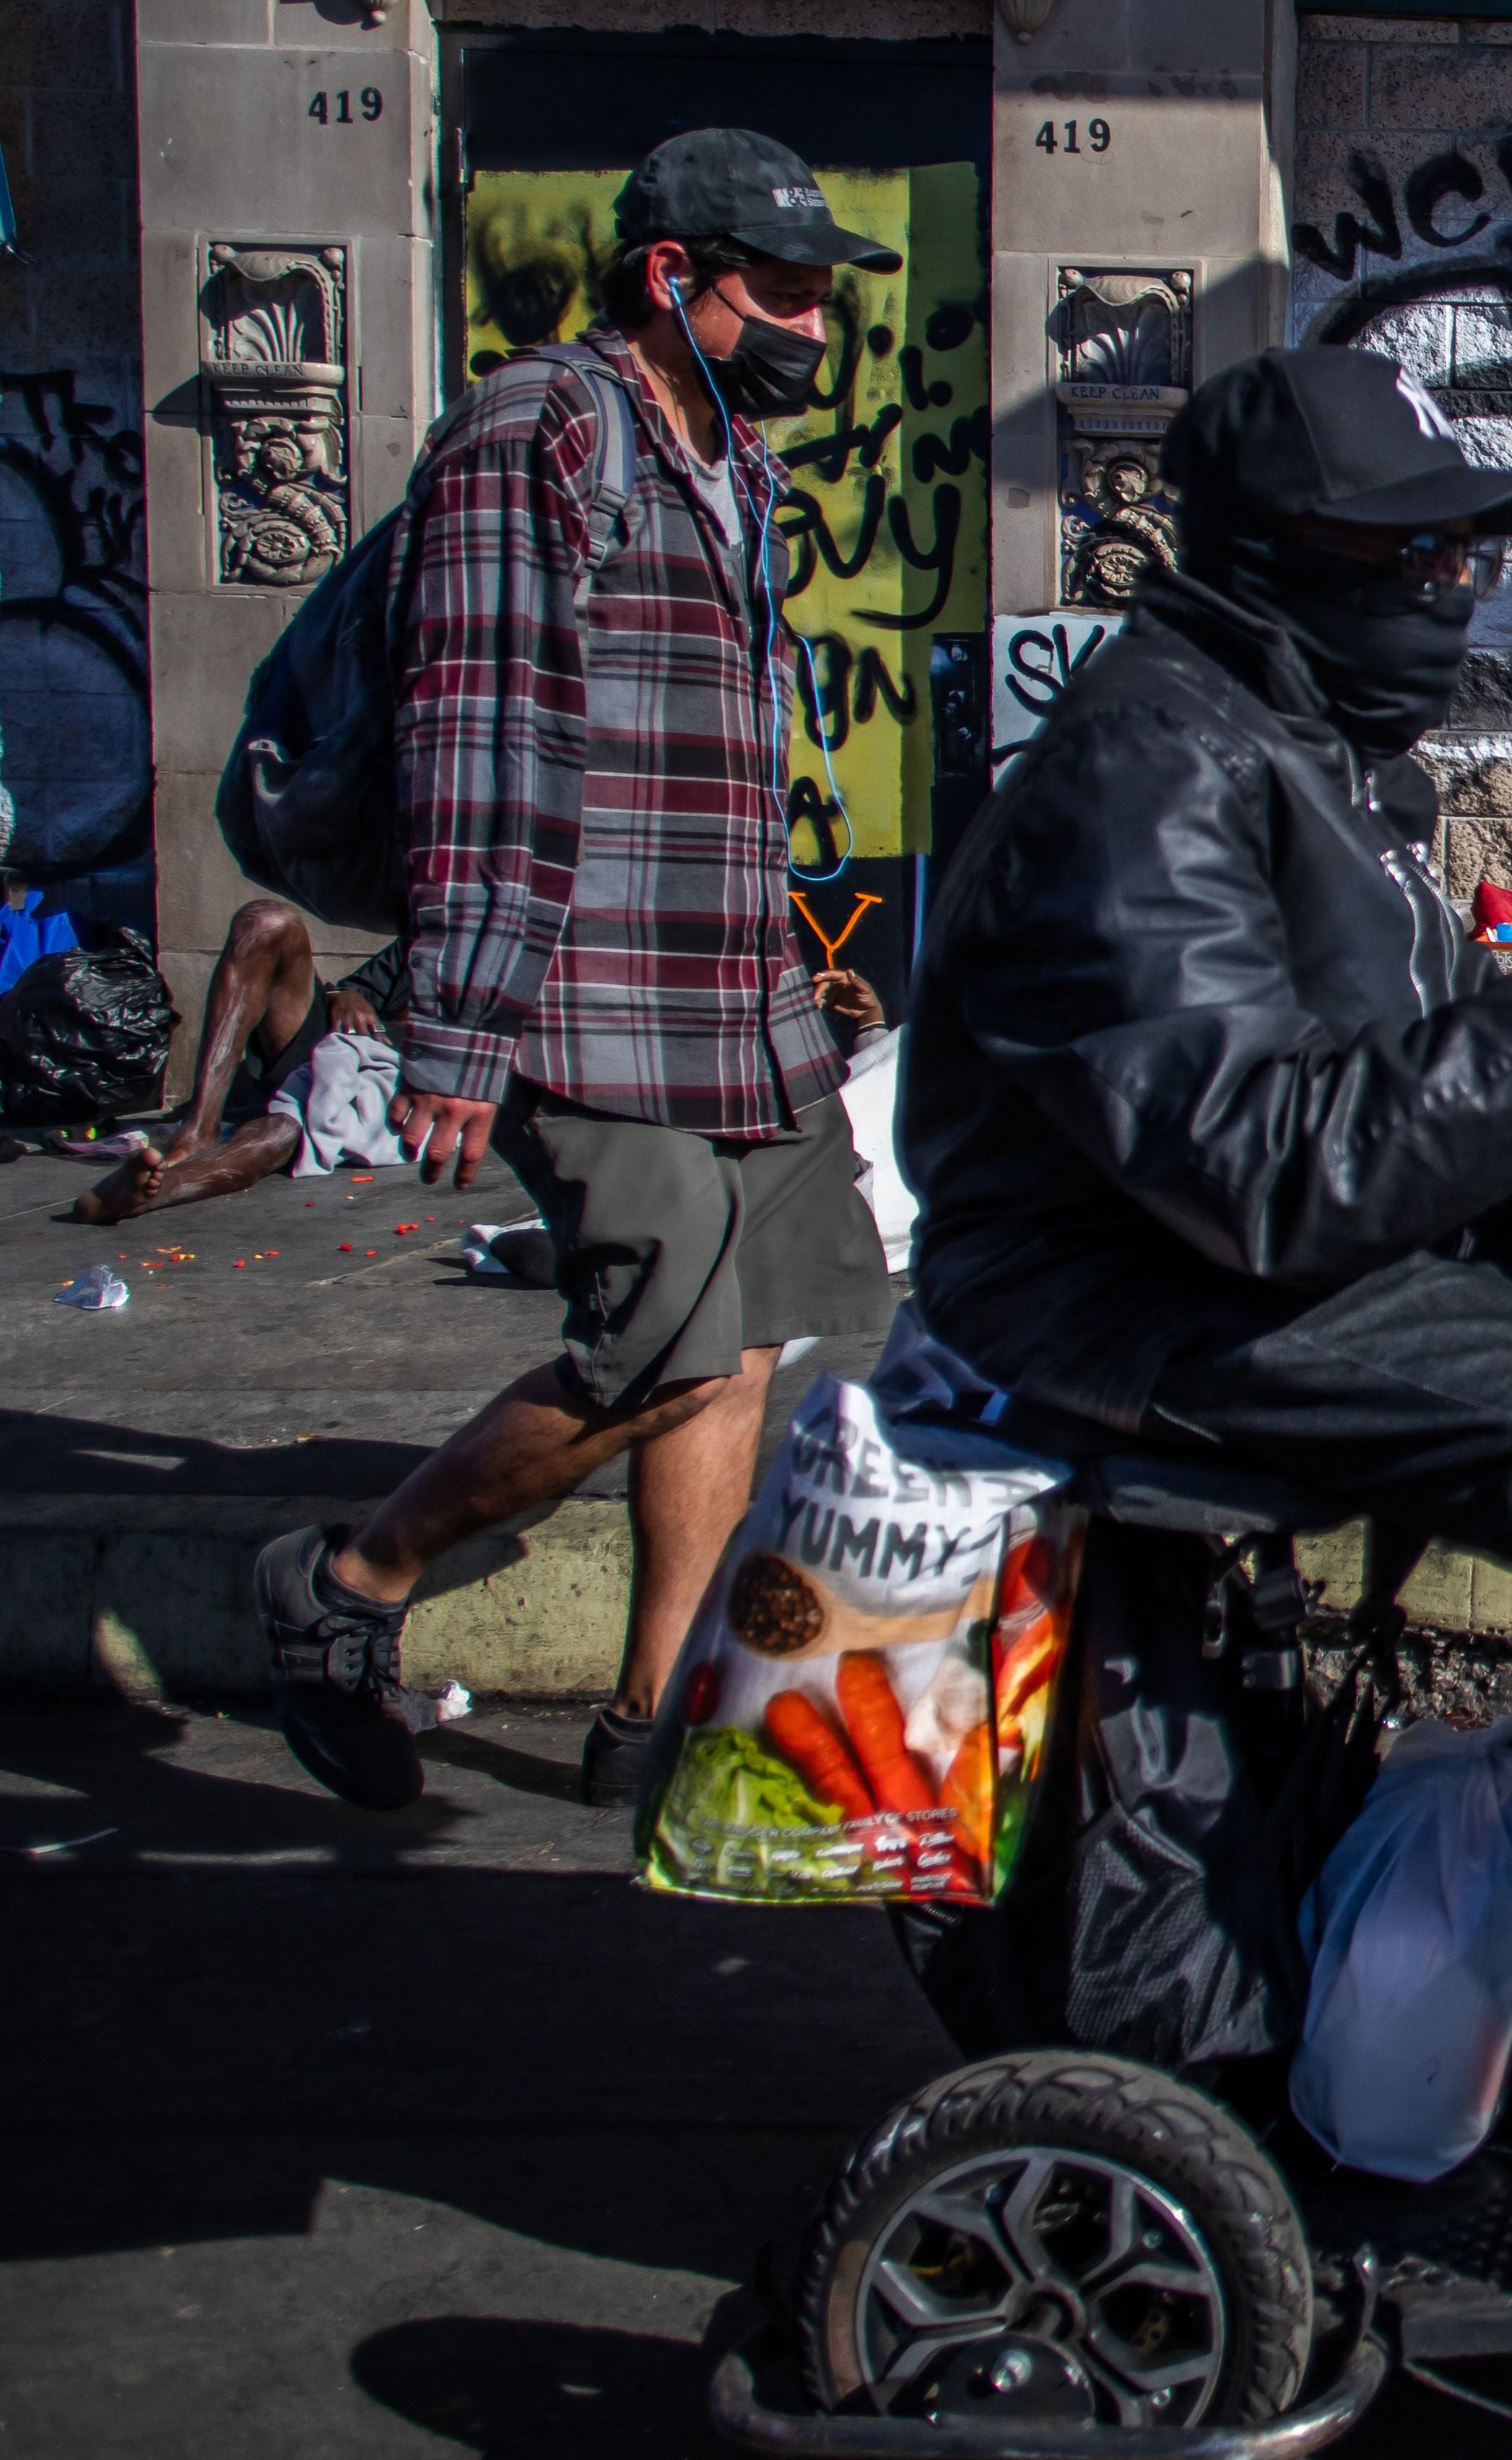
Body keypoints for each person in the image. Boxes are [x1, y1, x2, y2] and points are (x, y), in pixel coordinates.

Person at [901, 345, 1512, 2392]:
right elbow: (1276, 1163)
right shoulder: (1145, 765)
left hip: (1272, 1245)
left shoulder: (1307, 752)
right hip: (1152, 1293)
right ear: (1286, 559)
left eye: (1464, 549)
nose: (1454, 588)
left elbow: (1439, 1096)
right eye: (1418, 553)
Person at [252, 129, 902, 1815]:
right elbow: (485, 741)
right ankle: (352, 1586)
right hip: (583, 987)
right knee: (667, 1343)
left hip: (733, 985)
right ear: (672, 279)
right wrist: (457, 1029)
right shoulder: (530, 436)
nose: (813, 331)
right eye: (783, 293)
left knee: (754, 1333)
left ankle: (654, 1713)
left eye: (826, 299)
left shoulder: (733, 468)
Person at [70, 900, 406, 1221]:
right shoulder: (443, 939)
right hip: (342, 1054)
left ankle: (152, 1193)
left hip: (395, 1098)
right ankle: (200, 1127)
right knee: (267, 922)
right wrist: (341, 994)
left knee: (280, 1131)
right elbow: (362, 989)